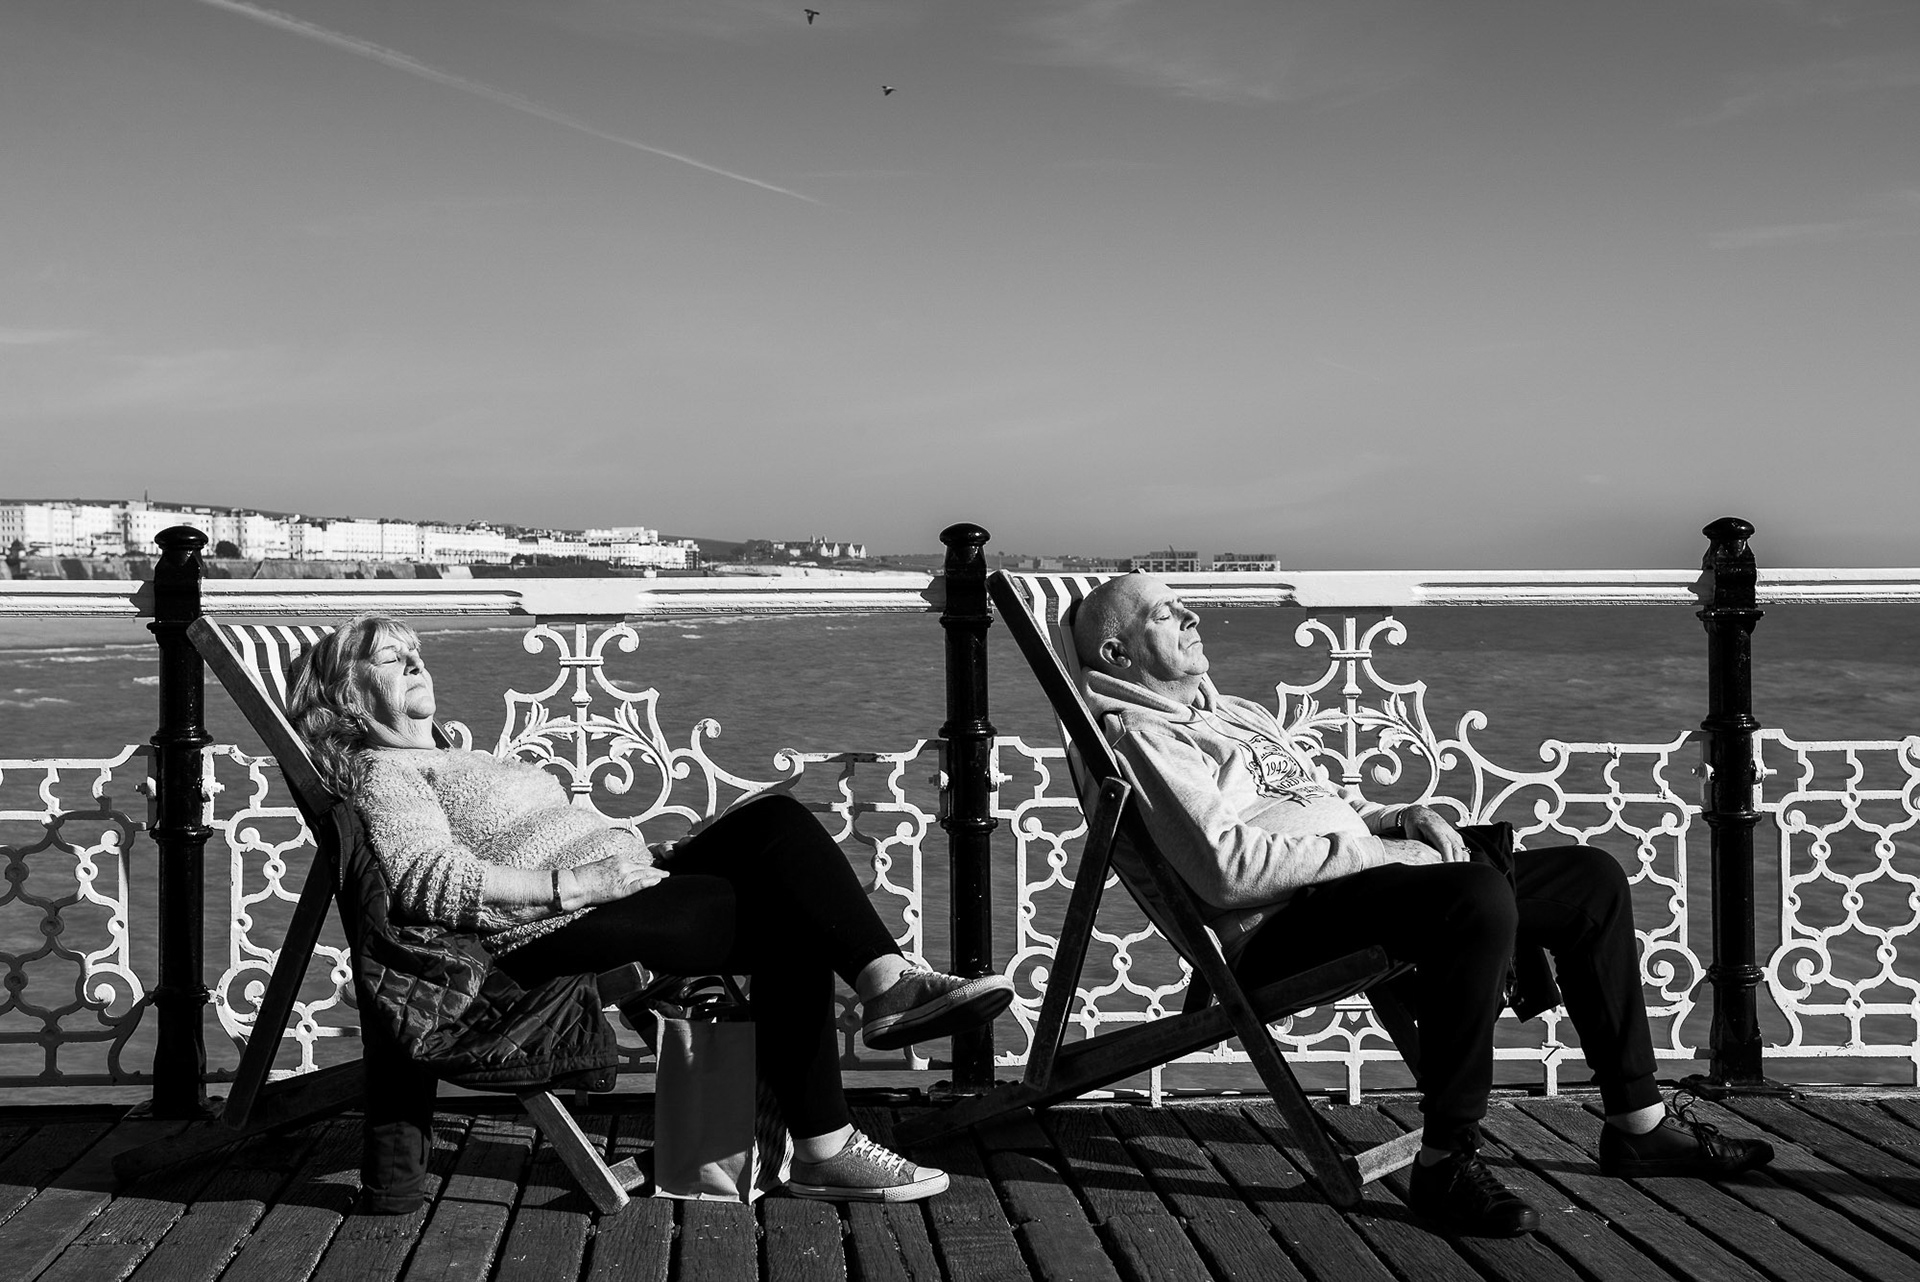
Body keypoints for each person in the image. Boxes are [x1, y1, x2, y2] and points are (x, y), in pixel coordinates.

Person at [1070, 573, 1771, 1237]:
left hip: (1359, 884)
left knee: (1589, 880)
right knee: (1474, 895)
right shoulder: (1144, 737)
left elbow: (1329, 809)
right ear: (1116, 653)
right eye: (1166, 613)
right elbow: (1228, 873)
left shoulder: (1238, 713)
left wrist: (1401, 820)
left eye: (1184, 606)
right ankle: (1446, 1162)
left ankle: (1638, 1125)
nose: (1192, 617)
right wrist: (1382, 857)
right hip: (1279, 928)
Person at [287, 613, 1013, 1204]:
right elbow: (427, 880)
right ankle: (830, 1136)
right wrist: (581, 886)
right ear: (350, 697)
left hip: (624, 881)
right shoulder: (388, 773)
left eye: (416, 651)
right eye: (391, 658)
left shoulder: (454, 755)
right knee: (785, 912)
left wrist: (634, 860)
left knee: (776, 824)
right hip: (542, 930)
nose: (416, 662)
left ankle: (886, 987)